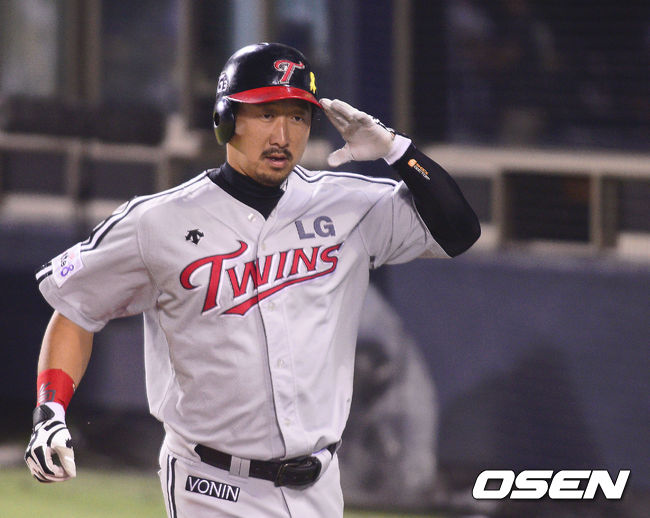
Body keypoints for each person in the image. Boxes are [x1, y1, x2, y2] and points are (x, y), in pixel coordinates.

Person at [25, 42, 480, 517]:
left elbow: (459, 231)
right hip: (211, 485)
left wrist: (396, 150)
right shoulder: (155, 222)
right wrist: (49, 412)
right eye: (266, 114)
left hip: (320, 486)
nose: (283, 135)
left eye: (298, 117)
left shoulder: (349, 207)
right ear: (226, 119)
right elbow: (75, 309)